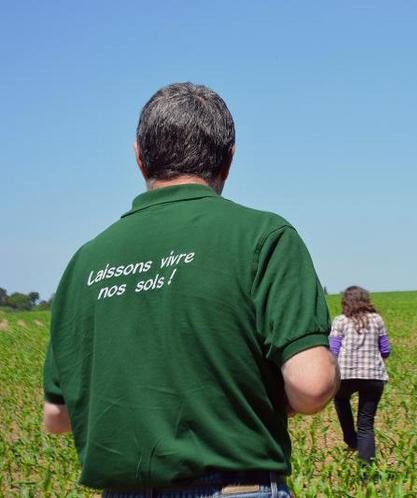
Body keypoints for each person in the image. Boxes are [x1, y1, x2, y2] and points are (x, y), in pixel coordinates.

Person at [41, 83, 339, 498]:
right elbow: (311, 387)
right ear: (229, 159)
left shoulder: (86, 261)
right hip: (236, 488)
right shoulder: (264, 237)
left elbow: (57, 416)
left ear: (139, 157)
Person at [329, 286, 390, 464]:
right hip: (373, 376)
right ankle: (366, 472)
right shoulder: (377, 320)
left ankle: (351, 440)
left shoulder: (340, 320)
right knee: (365, 424)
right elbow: (385, 350)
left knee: (340, 399)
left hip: (346, 373)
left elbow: (333, 349)